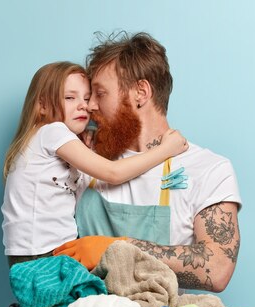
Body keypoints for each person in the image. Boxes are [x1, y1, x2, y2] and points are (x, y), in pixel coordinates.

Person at [54, 32, 242, 293]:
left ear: (141, 92)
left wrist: (114, 248)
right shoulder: (80, 156)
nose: (90, 106)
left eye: (100, 93)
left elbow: (218, 269)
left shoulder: (208, 169)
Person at [2, 61, 188, 267]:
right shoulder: (52, 131)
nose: (85, 105)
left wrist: (88, 147)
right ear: (43, 106)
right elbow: (112, 173)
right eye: (70, 98)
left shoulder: (41, 139)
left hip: (33, 254)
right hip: (42, 255)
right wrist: (166, 149)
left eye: (87, 97)